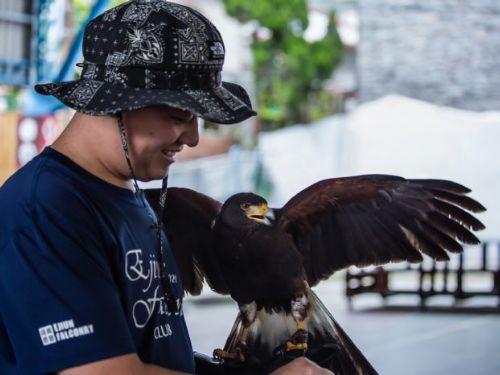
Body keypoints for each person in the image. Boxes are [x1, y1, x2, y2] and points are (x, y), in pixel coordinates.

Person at [0, 1, 334, 374]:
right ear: (115, 103)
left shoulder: (132, 199)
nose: (191, 137)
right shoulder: (47, 210)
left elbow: (150, 357)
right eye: (179, 116)